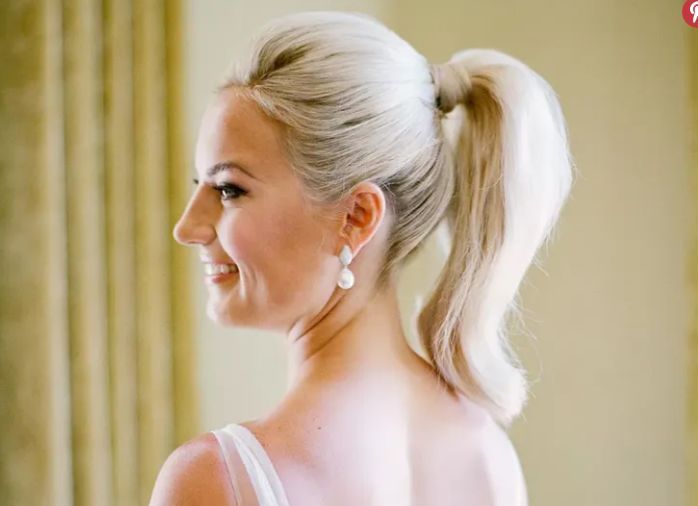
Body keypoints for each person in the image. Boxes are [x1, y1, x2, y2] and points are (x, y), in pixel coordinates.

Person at [149, 10, 574, 506]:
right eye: (198, 184)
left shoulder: (217, 480)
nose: (186, 228)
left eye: (228, 189)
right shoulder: (490, 457)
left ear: (355, 217)